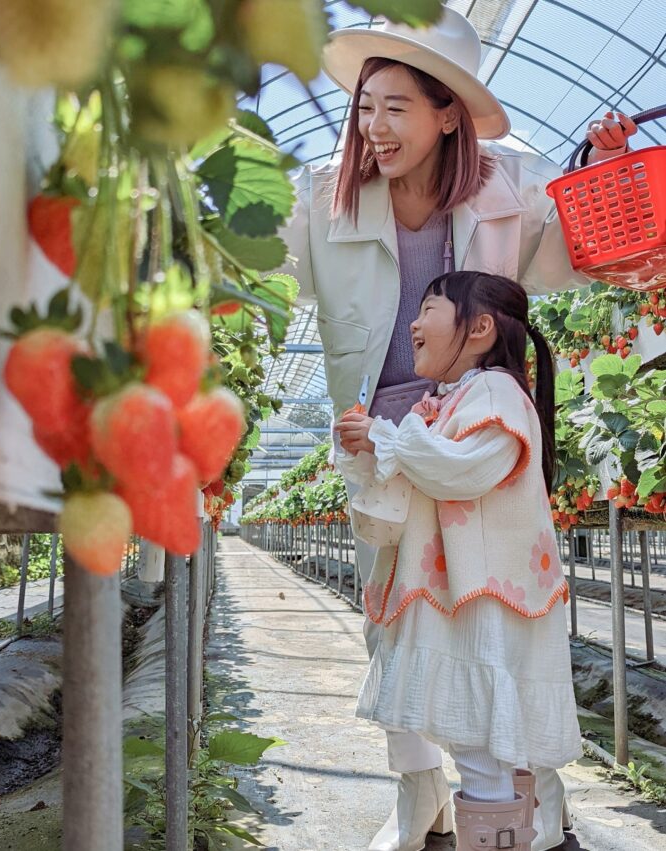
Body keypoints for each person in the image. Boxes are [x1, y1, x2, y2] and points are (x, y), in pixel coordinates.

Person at [278, 8, 635, 850]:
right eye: (366, 107)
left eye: (396, 107)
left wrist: (607, 165)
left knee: (504, 611)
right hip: (385, 442)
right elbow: (250, 259)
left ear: (448, 113)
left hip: (477, 433)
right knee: (393, 617)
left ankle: (534, 797)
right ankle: (420, 797)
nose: (374, 128)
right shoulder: (322, 194)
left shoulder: (509, 185)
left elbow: (585, 249)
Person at [334, 270, 583, 851]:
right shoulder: (460, 398)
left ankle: (506, 836)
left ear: (478, 328)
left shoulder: (495, 391)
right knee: (489, 746)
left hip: (483, 600)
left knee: (485, 750)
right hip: (467, 597)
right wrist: (372, 449)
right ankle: (520, 835)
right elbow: (414, 493)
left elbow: (462, 470)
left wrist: (386, 439)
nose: (414, 325)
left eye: (428, 310)